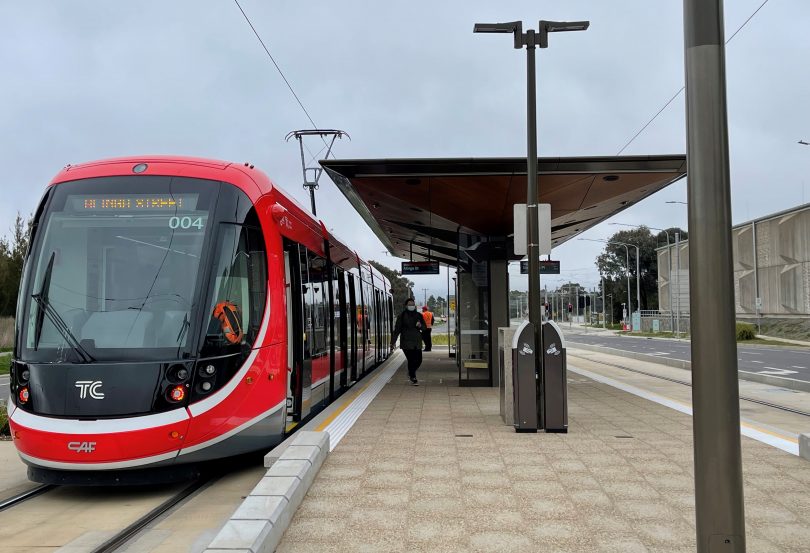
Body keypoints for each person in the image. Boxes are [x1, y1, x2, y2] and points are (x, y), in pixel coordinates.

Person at [391, 298, 423, 385]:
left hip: (417, 341)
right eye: (410, 304)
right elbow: (397, 330)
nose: (411, 306)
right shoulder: (401, 316)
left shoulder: (419, 315)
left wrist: (420, 326)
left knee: (419, 360)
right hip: (406, 342)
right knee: (411, 360)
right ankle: (413, 377)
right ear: (406, 306)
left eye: (413, 304)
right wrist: (393, 342)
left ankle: (411, 373)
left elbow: (424, 328)